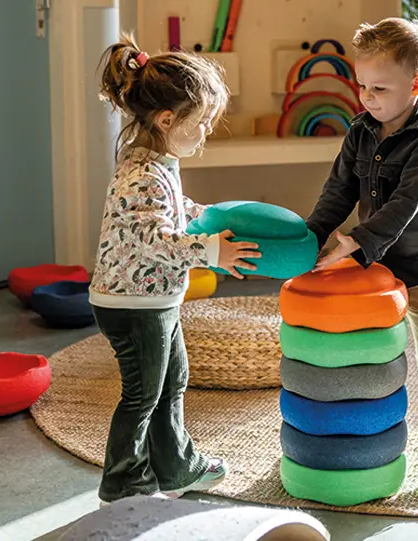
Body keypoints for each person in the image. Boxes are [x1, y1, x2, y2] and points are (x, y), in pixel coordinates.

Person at [306, 18, 418, 487]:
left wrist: (357, 241)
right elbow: (338, 189)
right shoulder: (360, 131)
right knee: (369, 358)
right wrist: (313, 234)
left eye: (380, 87)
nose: (367, 97)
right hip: (373, 273)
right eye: (362, 85)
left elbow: (405, 205)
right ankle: (363, 439)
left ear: (415, 85)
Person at [89, 34, 261, 505]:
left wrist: (205, 217)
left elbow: (170, 211)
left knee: (172, 383)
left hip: (155, 300)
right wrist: (210, 251)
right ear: (167, 119)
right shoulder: (141, 173)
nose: (206, 132)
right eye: (201, 123)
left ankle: (175, 466)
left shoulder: (155, 161)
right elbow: (153, 239)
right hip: (132, 305)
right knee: (143, 395)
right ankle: (124, 483)